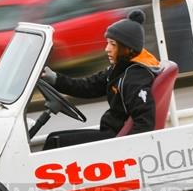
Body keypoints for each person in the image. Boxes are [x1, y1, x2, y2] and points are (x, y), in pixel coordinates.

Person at [40, 9, 160, 150]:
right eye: (107, 43)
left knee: (55, 142)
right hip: (110, 133)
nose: (106, 49)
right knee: (52, 138)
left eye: (113, 44)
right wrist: (55, 79)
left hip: (116, 141)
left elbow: (145, 124)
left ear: (127, 48)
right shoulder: (119, 68)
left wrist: (126, 155)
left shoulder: (134, 78)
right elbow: (88, 86)